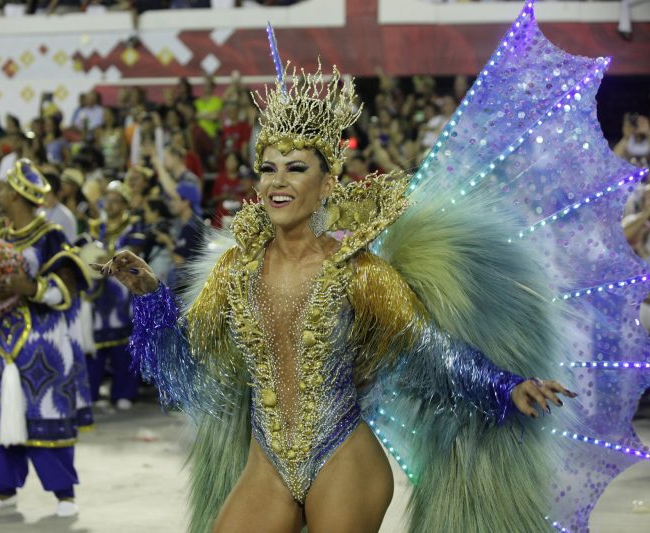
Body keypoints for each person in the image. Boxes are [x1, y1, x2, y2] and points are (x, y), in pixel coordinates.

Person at [92, 12, 620, 528]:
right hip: (266, 465)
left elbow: (427, 351)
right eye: (269, 167)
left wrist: (505, 386)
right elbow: (187, 364)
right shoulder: (234, 270)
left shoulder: (357, 272)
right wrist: (149, 295)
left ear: (326, 186)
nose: (278, 180)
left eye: (296, 168)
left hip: (343, 459)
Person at [0, 158, 90, 517]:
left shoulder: (50, 236)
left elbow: (68, 286)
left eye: (3, 188)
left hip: (41, 341)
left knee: (45, 411)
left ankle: (63, 495)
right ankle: (3, 489)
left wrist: (34, 287)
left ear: (13, 194)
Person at [82, 180, 139, 409]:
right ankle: (92, 392)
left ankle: (124, 392)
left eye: (116, 201)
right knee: (95, 345)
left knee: (123, 345)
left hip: (122, 292)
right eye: (109, 200)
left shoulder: (132, 227)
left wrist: (107, 258)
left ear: (125, 204)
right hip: (98, 293)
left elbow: (134, 255)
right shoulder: (96, 227)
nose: (111, 205)